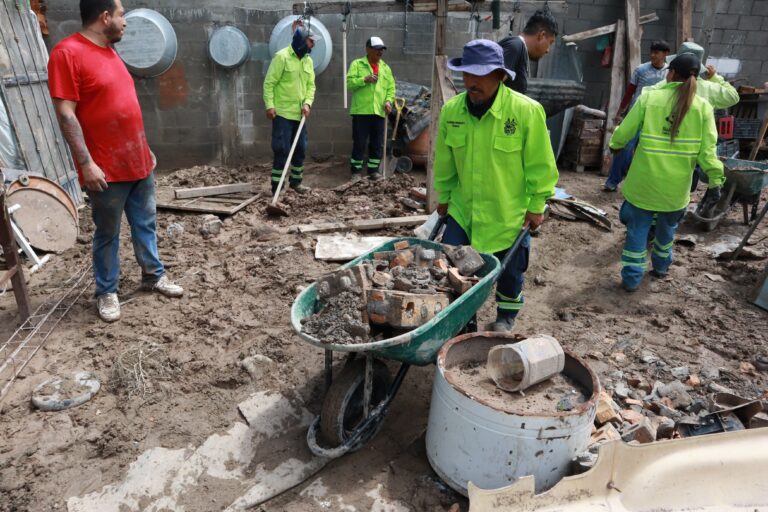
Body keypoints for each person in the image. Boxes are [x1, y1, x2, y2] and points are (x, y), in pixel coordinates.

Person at [48, 0, 183, 323]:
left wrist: (144, 149)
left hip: (138, 161)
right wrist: (87, 164)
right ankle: (106, 291)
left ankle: (153, 274)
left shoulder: (110, 52)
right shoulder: (67, 54)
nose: (125, 22)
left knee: (145, 223)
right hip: (105, 169)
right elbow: (66, 114)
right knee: (107, 232)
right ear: (105, 16)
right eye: (121, 15)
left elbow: (122, 106)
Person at [434, 40, 559, 332]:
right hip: (464, 210)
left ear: (501, 76)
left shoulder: (526, 112)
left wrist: (537, 205)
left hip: (508, 214)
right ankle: (463, 318)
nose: (471, 82)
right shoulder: (452, 111)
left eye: (481, 75)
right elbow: (445, 163)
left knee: (511, 271)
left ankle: (505, 316)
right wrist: (444, 197)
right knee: (451, 265)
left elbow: (541, 165)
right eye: (467, 74)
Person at [610, 53, 724, 292]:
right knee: (666, 231)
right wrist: (716, 180)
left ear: (670, 72)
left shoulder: (650, 98)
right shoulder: (703, 108)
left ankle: (631, 279)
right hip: (675, 191)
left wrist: (615, 144)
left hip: (644, 186)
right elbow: (708, 152)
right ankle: (661, 267)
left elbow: (625, 132)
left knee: (637, 232)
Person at [603, 40, 671, 192]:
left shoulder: (670, 73)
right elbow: (629, 93)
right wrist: (620, 112)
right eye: (652, 52)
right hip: (636, 115)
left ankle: (642, 186)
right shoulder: (641, 70)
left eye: (657, 52)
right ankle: (612, 181)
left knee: (649, 154)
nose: (653, 55)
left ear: (665, 54)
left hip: (656, 120)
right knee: (624, 149)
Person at [263, 25, 318, 194]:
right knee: (282, 150)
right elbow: (269, 83)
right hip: (283, 114)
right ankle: (277, 187)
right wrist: (270, 105)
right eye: (310, 42)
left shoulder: (308, 60)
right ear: (301, 41)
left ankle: (296, 182)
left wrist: (308, 103)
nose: (313, 45)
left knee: (300, 149)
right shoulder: (282, 57)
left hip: (300, 114)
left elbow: (311, 86)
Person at [346, 36, 396, 181]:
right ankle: (355, 172)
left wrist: (388, 101)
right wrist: (364, 80)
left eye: (382, 49)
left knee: (377, 143)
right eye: (377, 49)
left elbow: (391, 88)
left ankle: (373, 171)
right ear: (368, 49)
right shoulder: (357, 64)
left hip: (379, 111)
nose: (380, 52)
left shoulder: (386, 68)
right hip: (361, 111)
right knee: (359, 142)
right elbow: (349, 84)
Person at [497, 10, 558, 95]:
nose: (548, 50)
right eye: (550, 42)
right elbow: (490, 86)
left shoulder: (520, 50)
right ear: (542, 35)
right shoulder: (515, 46)